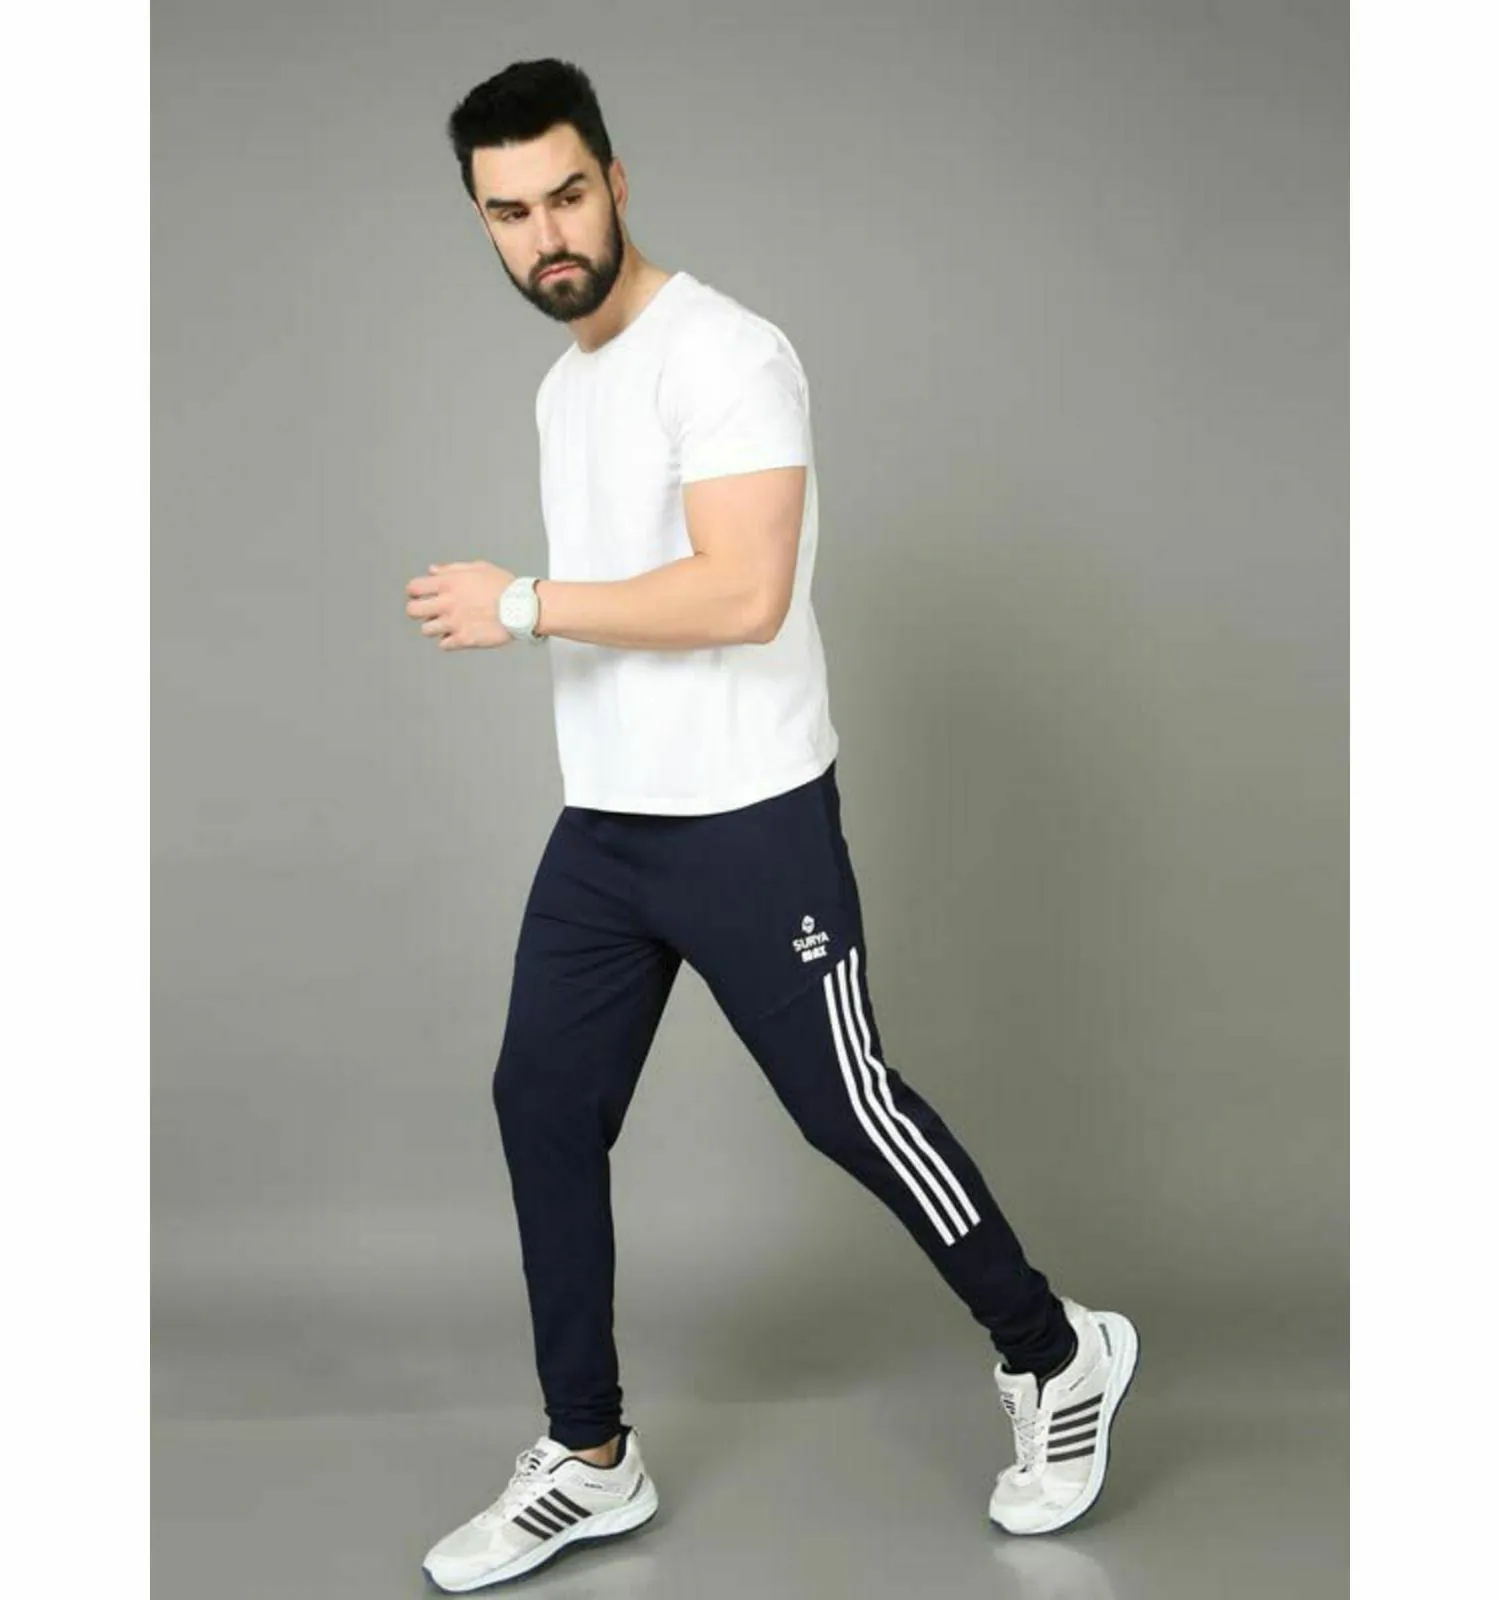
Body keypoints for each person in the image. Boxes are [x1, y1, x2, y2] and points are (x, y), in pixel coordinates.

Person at [406, 57, 1140, 1592]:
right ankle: (591, 1458)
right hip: (606, 828)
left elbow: (742, 592)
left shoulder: (729, 352)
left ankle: (1055, 1349)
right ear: (482, 223)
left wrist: (523, 603)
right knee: (541, 1105)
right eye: (510, 213)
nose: (548, 235)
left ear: (617, 181)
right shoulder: (563, 387)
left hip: (749, 821)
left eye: (567, 195)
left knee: (846, 1109)